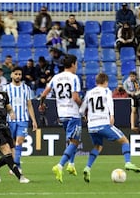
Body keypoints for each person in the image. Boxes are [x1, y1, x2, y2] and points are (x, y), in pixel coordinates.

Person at [80, 73, 140, 183]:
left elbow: (81, 110)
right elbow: (110, 103)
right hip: (103, 123)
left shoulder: (89, 93)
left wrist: (85, 117)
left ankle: (87, 168)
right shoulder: (106, 91)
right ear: (106, 82)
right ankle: (128, 163)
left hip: (92, 126)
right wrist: (111, 116)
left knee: (98, 146)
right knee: (125, 141)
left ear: (96, 82)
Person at [38, 54, 82, 183]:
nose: (77, 67)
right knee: (74, 142)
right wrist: (84, 107)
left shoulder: (55, 78)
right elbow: (75, 98)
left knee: (71, 140)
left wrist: (41, 104)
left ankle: (71, 165)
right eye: (77, 64)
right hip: (73, 113)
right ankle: (60, 165)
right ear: (73, 64)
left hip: (61, 114)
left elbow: (44, 93)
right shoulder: (74, 78)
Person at [2, 67, 38, 175]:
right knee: (12, 144)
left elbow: (29, 105)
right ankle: (17, 166)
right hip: (10, 120)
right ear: (12, 75)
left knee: (19, 142)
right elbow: (2, 105)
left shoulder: (26, 88)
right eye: (16, 74)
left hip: (23, 119)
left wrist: (34, 120)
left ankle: (16, 164)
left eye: (20, 74)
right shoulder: (6, 89)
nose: (18, 76)